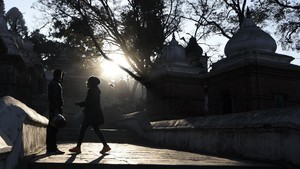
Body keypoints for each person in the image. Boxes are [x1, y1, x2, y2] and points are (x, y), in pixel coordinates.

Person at [69, 76, 111, 154]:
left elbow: (90, 102)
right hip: (94, 114)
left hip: (92, 114)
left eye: (88, 82)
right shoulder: (94, 90)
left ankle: (78, 147)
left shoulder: (93, 91)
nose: (87, 83)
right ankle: (105, 146)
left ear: (91, 83)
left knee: (83, 129)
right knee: (95, 130)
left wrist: (80, 104)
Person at [46, 69, 65, 154]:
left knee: (52, 129)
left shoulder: (54, 83)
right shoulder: (56, 84)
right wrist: (57, 109)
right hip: (55, 109)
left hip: (54, 108)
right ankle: (52, 148)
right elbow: (54, 98)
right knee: (53, 129)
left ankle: (51, 147)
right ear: (60, 75)